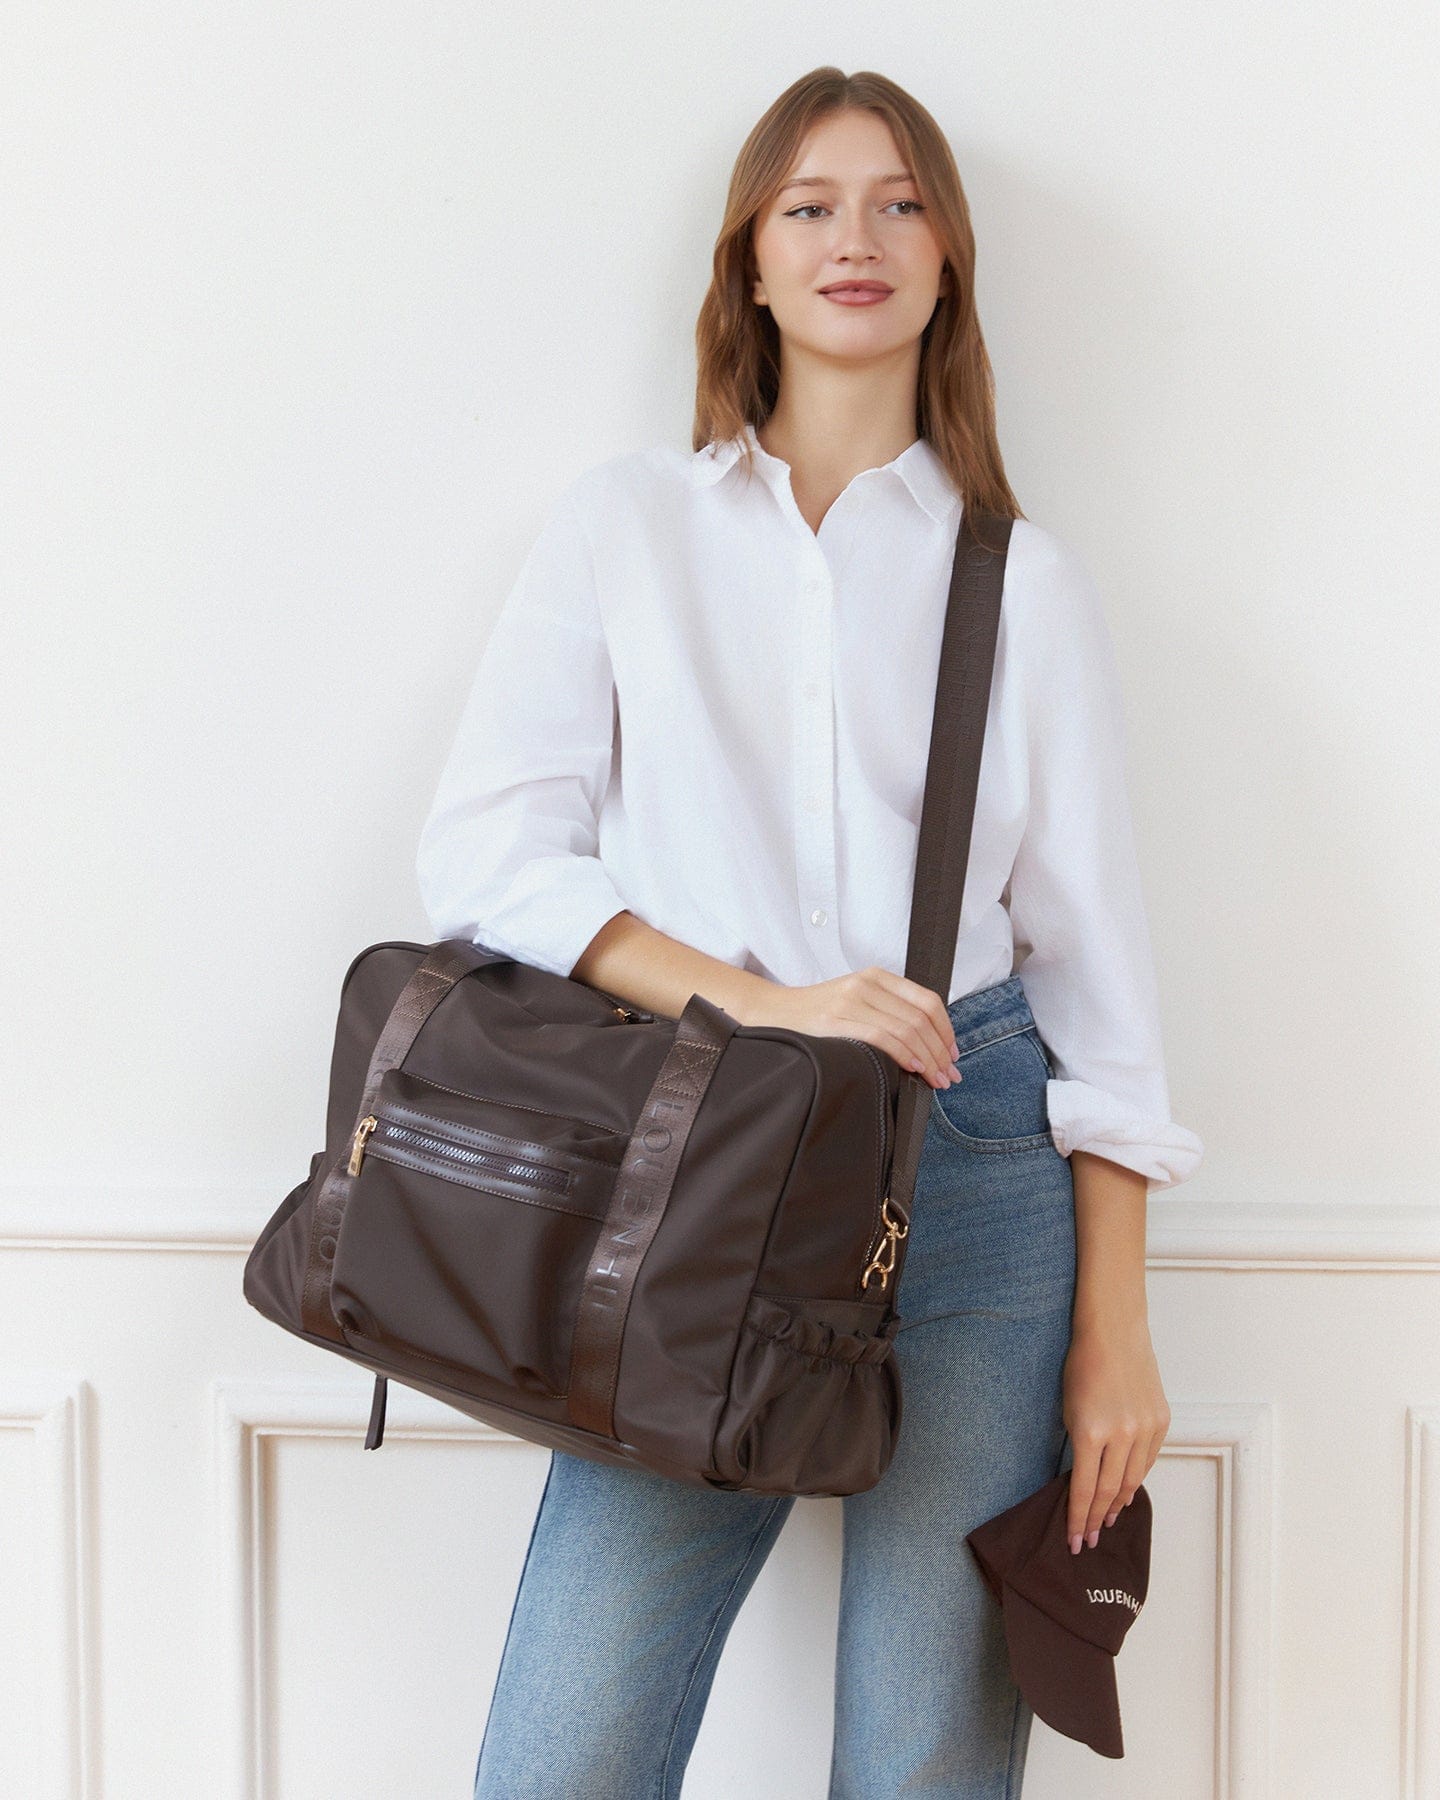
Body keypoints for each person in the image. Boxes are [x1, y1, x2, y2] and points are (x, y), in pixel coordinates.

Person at [416, 64, 1204, 1800]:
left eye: (902, 203)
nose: (860, 236)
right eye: (813, 205)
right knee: (565, 1754)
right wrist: (766, 1003)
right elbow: (483, 856)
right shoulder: (626, 527)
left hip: (980, 1170)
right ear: (752, 265)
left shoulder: (1023, 579)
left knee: (928, 1758)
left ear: (948, 262)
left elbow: (1096, 979)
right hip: (714, 1154)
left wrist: (1117, 1330)